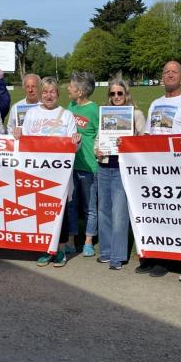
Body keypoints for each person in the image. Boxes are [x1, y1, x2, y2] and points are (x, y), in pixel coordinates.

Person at [136, 60, 181, 275]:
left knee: (174, 215)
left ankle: (168, 260)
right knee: (155, 213)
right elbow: (149, 136)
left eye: (174, 72)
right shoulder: (155, 103)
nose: (170, 75)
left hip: (176, 169)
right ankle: (153, 256)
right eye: (166, 72)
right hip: (155, 168)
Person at [17, 77, 81, 267]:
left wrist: (77, 141)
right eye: (45, 92)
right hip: (37, 171)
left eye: (52, 91)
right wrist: (18, 135)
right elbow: (24, 143)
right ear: (39, 93)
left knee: (61, 211)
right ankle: (44, 249)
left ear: (58, 94)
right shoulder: (31, 114)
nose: (48, 95)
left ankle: (60, 249)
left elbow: (74, 148)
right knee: (40, 210)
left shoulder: (67, 115)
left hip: (60, 174)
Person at [95, 77, 146, 270]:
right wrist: (97, 149)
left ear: (126, 94)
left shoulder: (136, 114)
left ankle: (117, 255)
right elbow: (98, 139)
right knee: (104, 210)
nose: (116, 97)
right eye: (112, 93)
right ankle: (106, 251)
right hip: (104, 165)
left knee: (119, 212)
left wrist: (129, 142)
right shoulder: (104, 114)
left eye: (119, 93)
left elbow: (143, 141)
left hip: (122, 168)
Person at [66, 72, 100, 257]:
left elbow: (101, 136)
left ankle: (88, 240)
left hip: (89, 167)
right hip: (71, 165)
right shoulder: (69, 106)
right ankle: (71, 239)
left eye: (71, 86)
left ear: (80, 91)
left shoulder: (94, 110)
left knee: (89, 206)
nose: (68, 88)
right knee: (71, 204)